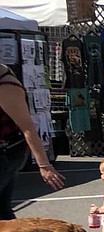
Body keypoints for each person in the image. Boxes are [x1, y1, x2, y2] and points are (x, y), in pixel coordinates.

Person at [0, 63, 65, 219]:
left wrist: (44, 165)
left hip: (7, 153)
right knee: (2, 209)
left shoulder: (7, 87)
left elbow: (28, 127)